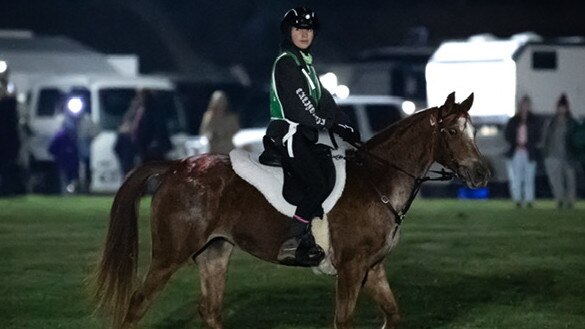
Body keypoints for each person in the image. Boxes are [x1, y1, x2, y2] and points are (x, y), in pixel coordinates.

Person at [264, 7, 361, 265]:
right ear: (289, 32)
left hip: (305, 134)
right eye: (299, 29)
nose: (304, 34)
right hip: (289, 133)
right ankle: (292, 241)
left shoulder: (305, 64)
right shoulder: (287, 62)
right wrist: (330, 124)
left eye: (308, 30)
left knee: (331, 173)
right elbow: (302, 106)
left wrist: (347, 126)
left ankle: (318, 237)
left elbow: (324, 100)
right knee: (318, 183)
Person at [541, 94, 579, 209]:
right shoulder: (551, 122)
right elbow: (545, 137)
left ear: (567, 108)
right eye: (559, 107)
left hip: (568, 156)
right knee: (555, 181)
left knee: (570, 180)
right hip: (552, 156)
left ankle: (570, 200)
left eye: (563, 107)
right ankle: (559, 199)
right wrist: (545, 152)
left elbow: (576, 139)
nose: (561, 109)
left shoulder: (572, 123)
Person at [504, 95, 541, 208]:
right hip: (516, 151)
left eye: (526, 105)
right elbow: (507, 135)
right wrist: (516, 143)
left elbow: (538, 136)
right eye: (523, 105)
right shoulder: (514, 120)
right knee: (516, 177)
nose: (524, 107)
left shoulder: (534, 120)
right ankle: (518, 200)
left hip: (529, 152)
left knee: (529, 177)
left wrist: (529, 144)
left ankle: (529, 200)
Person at [132, 89, 172, 163]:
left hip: (150, 147)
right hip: (142, 147)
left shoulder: (152, 111)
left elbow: (159, 128)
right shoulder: (140, 110)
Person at [49, 117, 79, 194]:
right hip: (63, 162)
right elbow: (51, 149)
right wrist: (59, 154)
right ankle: (65, 193)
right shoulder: (60, 136)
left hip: (70, 163)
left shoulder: (73, 136)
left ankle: (70, 192)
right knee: (64, 179)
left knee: (70, 179)